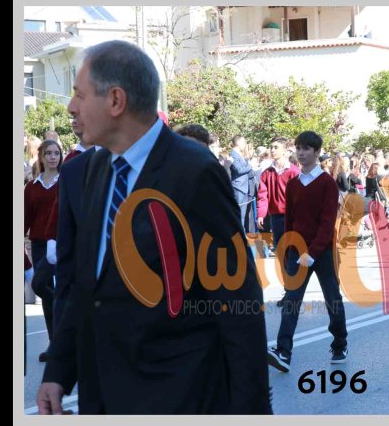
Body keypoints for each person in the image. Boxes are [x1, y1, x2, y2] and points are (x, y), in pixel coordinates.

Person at [36, 40, 271, 414]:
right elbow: (86, 286)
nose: (71, 107)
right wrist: (58, 371)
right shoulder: (91, 170)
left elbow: (235, 298)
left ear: (116, 101)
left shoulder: (193, 171)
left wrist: (251, 410)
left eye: (79, 94)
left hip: (177, 395)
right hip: (103, 396)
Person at [266, 131, 348, 373]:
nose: (301, 153)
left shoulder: (327, 183)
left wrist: (312, 253)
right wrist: (288, 247)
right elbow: (289, 220)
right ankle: (283, 352)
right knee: (291, 300)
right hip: (297, 251)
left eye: (306, 149)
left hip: (321, 252)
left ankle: (340, 344)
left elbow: (327, 223)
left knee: (332, 298)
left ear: (317, 152)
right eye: (299, 148)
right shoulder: (293, 184)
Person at [42, 118, 97, 337]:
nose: (74, 119)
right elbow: (61, 206)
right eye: (48, 153)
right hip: (65, 242)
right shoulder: (72, 163)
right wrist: (51, 238)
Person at [25, 139, 62, 362]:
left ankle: (66, 308)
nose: (52, 157)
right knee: (46, 295)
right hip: (38, 244)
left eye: (56, 153)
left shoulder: (65, 182)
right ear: (41, 156)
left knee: (39, 284)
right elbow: (24, 219)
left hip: (59, 243)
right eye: (48, 153)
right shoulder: (32, 187)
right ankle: (54, 345)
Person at [256, 137, 301, 253]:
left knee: (292, 248)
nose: (272, 150)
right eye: (271, 147)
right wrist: (261, 214)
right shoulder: (266, 173)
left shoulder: (294, 172)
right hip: (275, 216)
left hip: (292, 215)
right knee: (280, 249)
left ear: (285, 151)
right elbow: (262, 196)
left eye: (276, 147)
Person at [229, 135, 254, 229]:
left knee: (242, 216)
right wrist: (251, 166)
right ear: (238, 143)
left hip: (244, 188)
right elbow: (239, 170)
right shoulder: (233, 154)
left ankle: (241, 234)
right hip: (238, 188)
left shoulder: (239, 155)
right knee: (238, 215)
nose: (245, 144)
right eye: (244, 142)